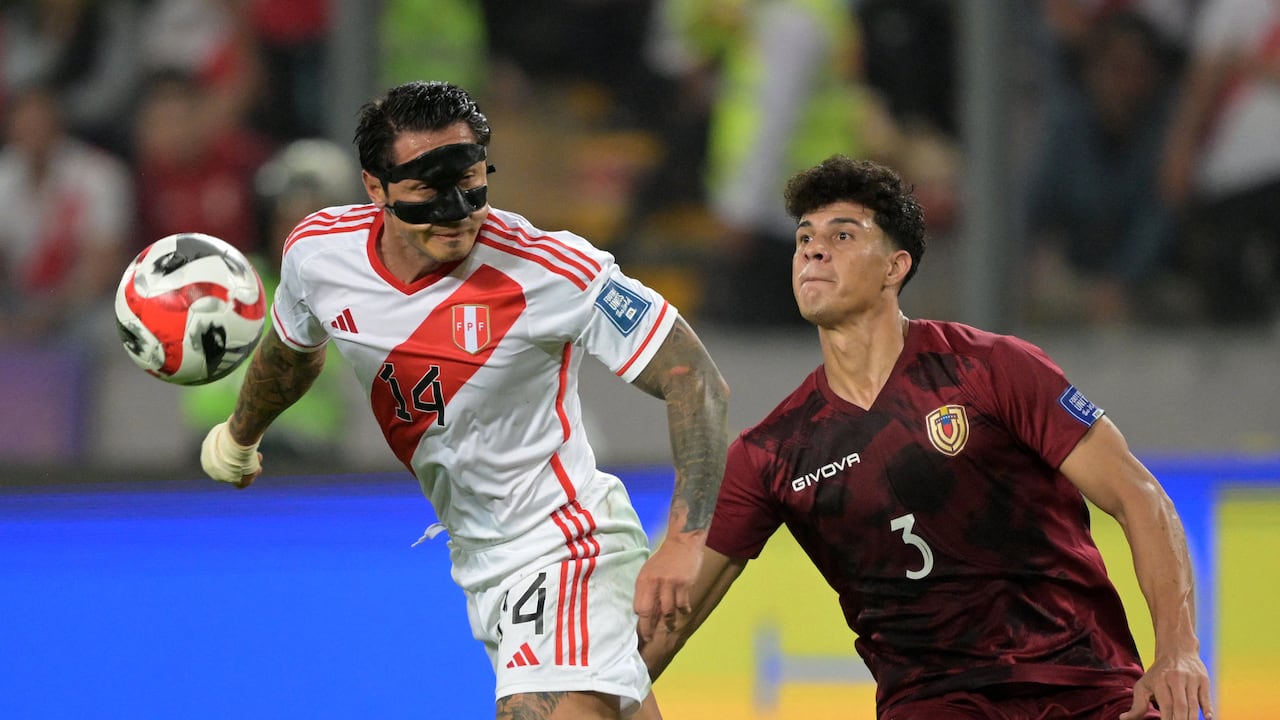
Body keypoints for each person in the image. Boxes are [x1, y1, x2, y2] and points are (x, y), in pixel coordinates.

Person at [198, 80, 730, 720]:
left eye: (471, 184)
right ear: (376, 187)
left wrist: (683, 539)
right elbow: (293, 348)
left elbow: (691, 375)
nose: (455, 211)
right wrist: (240, 434)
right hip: (480, 561)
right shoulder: (319, 255)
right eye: (428, 190)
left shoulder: (550, 270)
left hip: (565, 545)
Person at [641, 156, 1214, 720]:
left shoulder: (993, 369)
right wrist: (585, 698)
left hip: (1086, 683)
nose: (813, 250)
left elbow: (1140, 497)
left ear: (895, 267)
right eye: (804, 237)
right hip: (935, 702)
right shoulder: (772, 453)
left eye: (843, 235)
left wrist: (1179, 650)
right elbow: (672, 617)